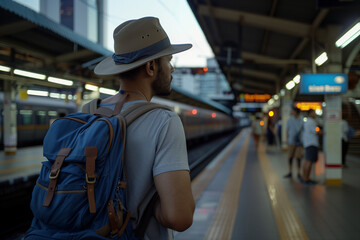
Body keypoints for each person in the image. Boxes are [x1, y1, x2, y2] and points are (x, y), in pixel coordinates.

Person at [94, 17, 195, 239]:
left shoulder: (88, 112)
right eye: (169, 61)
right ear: (151, 67)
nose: (172, 69)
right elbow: (180, 217)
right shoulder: (164, 121)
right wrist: (148, 208)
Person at [300, 109, 320, 184]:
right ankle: (306, 179)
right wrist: (321, 132)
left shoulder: (307, 122)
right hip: (312, 143)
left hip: (307, 143)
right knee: (309, 161)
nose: (315, 114)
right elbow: (316, 132)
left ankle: (304, 177)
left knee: (306, 161)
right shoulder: (311, 122)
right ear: (310, 113)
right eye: (314, 113)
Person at [284, 107, 303, 179]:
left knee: (298, 158)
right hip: (291, 141)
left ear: (296, 112)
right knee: (290, 157)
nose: (292, 112)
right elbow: (287, 130)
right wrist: (287, 140)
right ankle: (290, 171)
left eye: (293, 111)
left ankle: (299, 172)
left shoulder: (301, 119)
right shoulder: (289, 120)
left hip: (299, 142)